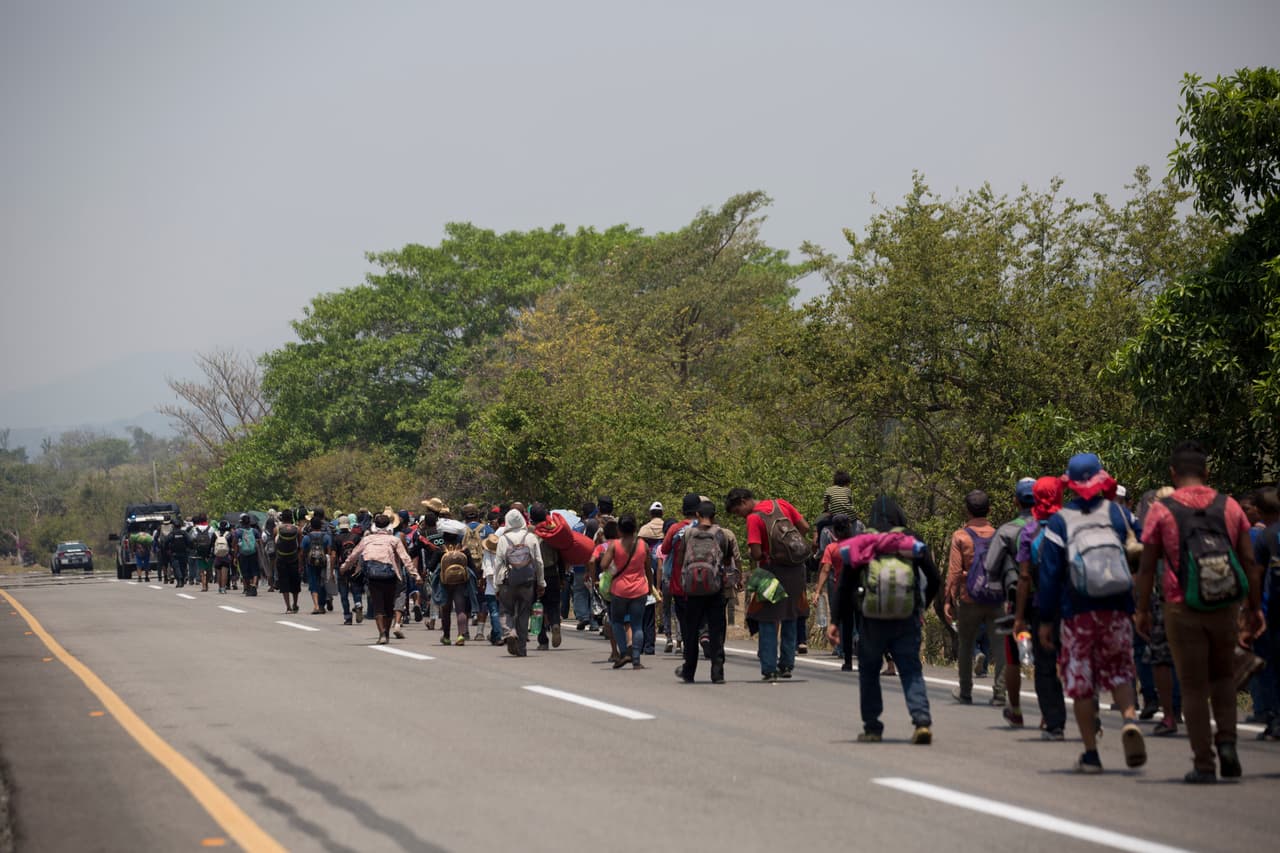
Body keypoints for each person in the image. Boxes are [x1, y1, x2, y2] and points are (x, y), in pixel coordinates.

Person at [1136, 441, 1263, 783]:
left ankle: (1204, 763)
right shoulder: (1231, 506)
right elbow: (1249, 560)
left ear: (1173, 474)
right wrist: (1253, 607)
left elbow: (1147, 566)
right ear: (1207, 472)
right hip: (1224, 605)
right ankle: (1228, 744)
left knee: (1193, 687)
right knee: (1223, 678)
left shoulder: (1161, 510)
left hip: (1181, 605)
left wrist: (1142, 609)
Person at [1040, 453, 1146, 775]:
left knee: (1083, 683)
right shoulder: (1118, 514)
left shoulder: (1060, 521)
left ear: (1070, 484)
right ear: (1100, 479)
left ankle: (1091, 754)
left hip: (1078, 614)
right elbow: (1141, 552)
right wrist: (1138, 604)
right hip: (1117, 608)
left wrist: (1046, 618)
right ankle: (1129, 719)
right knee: (1121, 671)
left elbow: (1049, 574)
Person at [838, 525, 940, 743]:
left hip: (872, 622)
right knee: (911, 670)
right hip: (907, 618)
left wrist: (837, 620)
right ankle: (922, 721)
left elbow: (846, 584)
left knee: (869, 673)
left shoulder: (865, 543)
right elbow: (934, 578)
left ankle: (873, 728)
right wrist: (921, 606)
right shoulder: (910, 543)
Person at [726, 487, 812, 682]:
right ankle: (787, 664)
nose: (740, 516)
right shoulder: (780, 504)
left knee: (767, 619)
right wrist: (792, 547)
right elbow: (805, 527)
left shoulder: (754, 518)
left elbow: (756, 553)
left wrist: (757, 553)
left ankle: (769, 667)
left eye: (738, 511)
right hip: (796, 570)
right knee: (790, 616)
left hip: (771, 572)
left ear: (742, 501)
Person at [1012, 476, 1069, 740]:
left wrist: (1019, 617)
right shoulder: (1071, 524)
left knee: (1045, 665)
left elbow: (1024, 577)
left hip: (1040, 606)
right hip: (1073, 605)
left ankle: (1054, 722)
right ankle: (1090, 714)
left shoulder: (1030, 531)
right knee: (1077, 660)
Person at [944, 490, 1006, 705]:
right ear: (989, 510)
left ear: (967, 510)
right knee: (1000, 646)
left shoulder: (960, 536)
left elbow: (954, 571)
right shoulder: (1000, 534)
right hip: (997, 598)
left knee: (966, 644)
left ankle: (966, 691)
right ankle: (999, 693)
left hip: (969, 598)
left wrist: (948, 600)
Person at [985, 479, 1036, 726]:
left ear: (1016, 501)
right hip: (1050, 600)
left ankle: (1015, 710)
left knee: (1013, 657)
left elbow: (990, 566)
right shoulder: (1054, 525)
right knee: (1051, 656)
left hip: (1017, 601)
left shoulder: (1006, 531)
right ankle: (1050, 715)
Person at [673, 501, 732, 683]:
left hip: (693, 590)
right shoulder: (721, 534)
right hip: (715, 589)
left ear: (697, 515)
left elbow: (680, 557)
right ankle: (717, 672)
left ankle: (689, 671)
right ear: (714, 515)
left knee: (691, 631)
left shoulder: (689, 533)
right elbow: (727, 560)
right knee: (716, 630)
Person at [340, 512, 415, 645]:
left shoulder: (367, 539)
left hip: (373, 576)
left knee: (378, 607)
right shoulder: (394, 540)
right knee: (388, 606)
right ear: (390, 527)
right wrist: (416, 575)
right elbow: (405, 559)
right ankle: (386, 633)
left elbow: (353, 555)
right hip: (391, 576)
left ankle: (382, 634)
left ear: (374, 526)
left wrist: (344, 567)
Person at [600, 514, 653, 670]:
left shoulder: (615, 545)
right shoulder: (643, 545)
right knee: (637, 625)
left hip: (620, 589)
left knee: (617, 622)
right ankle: (636, 658)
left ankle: (624, 652)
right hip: (640, 589)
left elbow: (603, 564)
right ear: (635, 528)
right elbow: (648, 568)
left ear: (619, 530)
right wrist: (650, 586)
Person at [1251, 486, 1280, 741]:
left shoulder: (1266, 536)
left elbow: (1257, 576)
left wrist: (1252, 609)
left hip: (1273, 610)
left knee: (1270, 666)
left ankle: (1274, 718)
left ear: (1259, 512)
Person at [496, 508, 545, 656]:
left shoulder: (503, 539)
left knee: (505, 610)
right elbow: (538, 562)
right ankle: (522, 648)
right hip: (527, 581)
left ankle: (509, 632)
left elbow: (498, 563)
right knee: (524, 614)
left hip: (508, 581)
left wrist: (497, 585)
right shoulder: (531, 537)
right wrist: (541, 582)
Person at [812, 514, 857, 671]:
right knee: (863, 623)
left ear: (835, 533)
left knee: (846, 623)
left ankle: (848, 661)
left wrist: (818, 590)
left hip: (842, 590)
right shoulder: (858, 545)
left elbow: (825, 569)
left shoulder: (832, 548)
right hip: (860, 589)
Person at [432, 520, 475, 646]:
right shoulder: (464, 549)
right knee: (460, 609)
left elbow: (430, 566)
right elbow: (472, 566)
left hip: (444, 582)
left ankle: (446, 636)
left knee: (446, 610)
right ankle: (461, 635)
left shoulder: (441, 549)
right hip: (461, 582)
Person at [528, 504, 564, 650]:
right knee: (553, 604)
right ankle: (555, 624)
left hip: (535, 575)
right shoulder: (553, 531)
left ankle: (543, 640)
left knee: (537, 608)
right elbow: (561, 556)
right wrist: (562, 576)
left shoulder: (529, 533)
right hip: (552, 573)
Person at [332, 514, 365, 625]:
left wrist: (331, 569)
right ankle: (358, 604)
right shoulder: (355, 537)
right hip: (354, 567)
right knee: (356, 589)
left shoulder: (336, 538)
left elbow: (333, 555)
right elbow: (361, 553)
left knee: (344, 594)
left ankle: (347, 617)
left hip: (341, 568)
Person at [302, 513, 332, 614]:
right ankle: (322, 605)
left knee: (313, 583)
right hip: (323, 563)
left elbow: (302, 551)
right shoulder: (326, 537)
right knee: (322, 583)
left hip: (311, 563)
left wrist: (302, 563)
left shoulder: (307, 537)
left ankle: (316, 606)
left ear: (311, 526)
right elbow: (329, 551)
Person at [274, 509, 303, 614]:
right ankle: (295, 604)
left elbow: (275, 544)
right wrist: (300, 563)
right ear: (292, 518)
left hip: (281, 559)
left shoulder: (276, 529)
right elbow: (300, 547)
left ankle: (288, 607)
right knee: (295, 583)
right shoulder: (298, 529)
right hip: (294, 559)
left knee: (284, 583)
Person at [235, 513, 262, 597]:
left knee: (245, 572)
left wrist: (235, 556)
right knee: (254, 570)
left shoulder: (238, 531)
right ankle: (254, 586)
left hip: (242, 553)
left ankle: (248, 588)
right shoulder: (254, 531)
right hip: (253, 553)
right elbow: (260, 542)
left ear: (242, 522)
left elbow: (235, 544)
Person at [188, 513, 215, 592]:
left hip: (199, 551)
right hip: (209, 551)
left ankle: (203, 585)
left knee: (201, 569)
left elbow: (192, 538)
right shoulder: (211, 528)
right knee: (209, 568)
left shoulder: (195, 529)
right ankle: (206, 583)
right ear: (206, 519)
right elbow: (213, 538)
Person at [212, 520, 236, 594]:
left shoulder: (215, 534)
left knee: (218, 572)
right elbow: (232, 545)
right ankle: (223, 588)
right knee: (225, 572)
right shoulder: (229, 534)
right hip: (226, 555)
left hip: (217, 555)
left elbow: (211, 544)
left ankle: (219, 587)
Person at [166, 519, 191, 588]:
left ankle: (180, 580)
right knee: (183, 567)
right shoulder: (184, 533)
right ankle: (181, 581)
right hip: (183, 553)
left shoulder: (172, 533)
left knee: (176, 567)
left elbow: (166, 541)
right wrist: (189, 548)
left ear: (174, 526)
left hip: (175, 553)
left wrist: (167, 549)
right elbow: (190, 541)